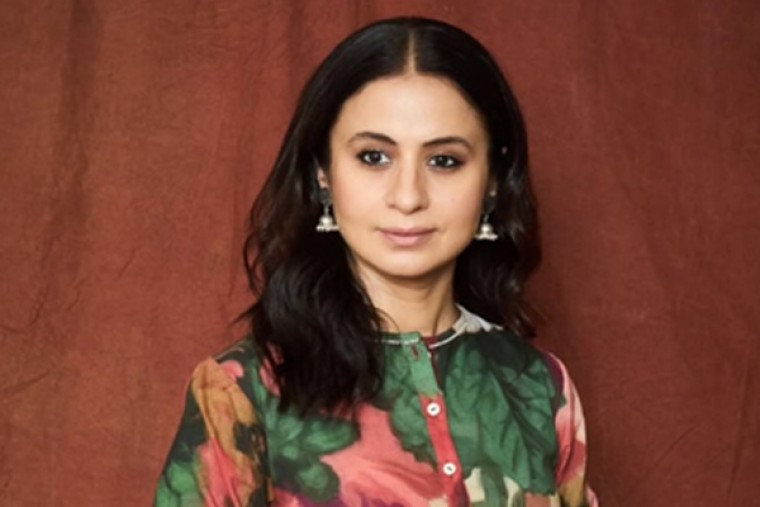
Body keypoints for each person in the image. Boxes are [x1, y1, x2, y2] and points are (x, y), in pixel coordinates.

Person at [154, 16, 598, 507]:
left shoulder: (539, 386)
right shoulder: (243, 392)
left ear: (493, 179)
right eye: (373, 157)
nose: (407, 197)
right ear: (323, 172)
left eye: (444, 160)